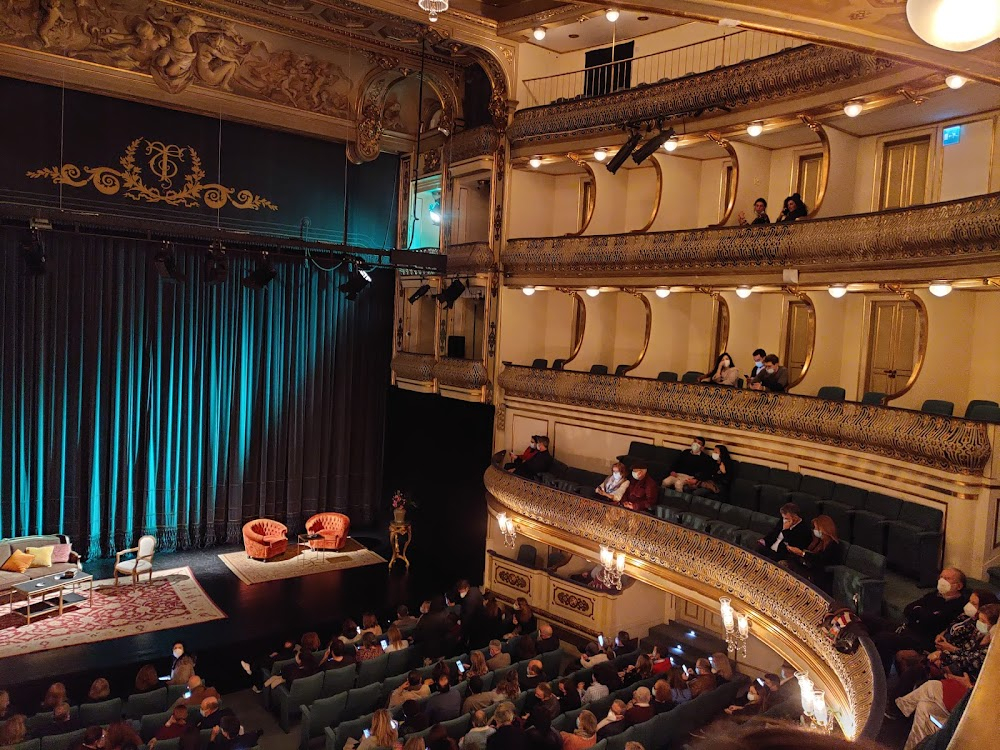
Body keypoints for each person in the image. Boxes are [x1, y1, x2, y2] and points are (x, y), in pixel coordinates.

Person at [870, 567, 968, 674]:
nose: (942, 580)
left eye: (947, 578)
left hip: (922, 641)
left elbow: (932, 622)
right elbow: (908, 609)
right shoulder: (934, 595)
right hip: (907, 628)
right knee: (869, 619)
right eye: (941, 577)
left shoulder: (958, 605)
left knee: (883, 639)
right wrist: (923, 613)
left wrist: (920, 612)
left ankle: (879, 677)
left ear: (959, 586)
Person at [895, 671, 973, 750]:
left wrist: (969, 687)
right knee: (924, 707)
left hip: (965, 719)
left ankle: (898, 708)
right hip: (962, 701)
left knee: (930, 686)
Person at [928, 602, 998, 680]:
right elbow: (966, 650)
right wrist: (945, 652)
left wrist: (943, 655)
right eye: (979, 619)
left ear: (995, 626)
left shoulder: (993, 647)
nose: (979, 622)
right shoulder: (980, 632)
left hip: (970, 673)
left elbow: (969, 661)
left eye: (983, 621)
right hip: (959, 660)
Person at [784, 515, 839, 589]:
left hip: (819, 576)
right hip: (809, 569)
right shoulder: (818, 542)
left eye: (816, 528)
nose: (814, 530)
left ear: (824, 529)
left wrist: (802, 553)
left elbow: (821, 560)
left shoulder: (834, 545)